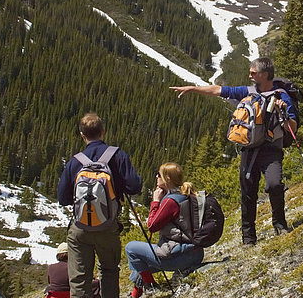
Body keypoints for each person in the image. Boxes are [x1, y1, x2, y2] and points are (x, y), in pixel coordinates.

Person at [170, 57, 298, 245]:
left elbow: (292, 128)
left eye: (253, 72)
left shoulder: (281, 96)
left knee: (274, 184)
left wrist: (284, 111)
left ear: (264, 74)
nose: (249, 75)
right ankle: (248, 238)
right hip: (249, 150)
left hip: (271, 150)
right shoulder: (247, 91)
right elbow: (217, 90)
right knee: (247, 193)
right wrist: (192, 89)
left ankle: (279, 224)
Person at [57, 112, 142, 298]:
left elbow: (62, 198)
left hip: (80, 229)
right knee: (109, 271)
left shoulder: (75, 162)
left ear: (82, 134)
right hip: (107, 226)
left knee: (79, 279)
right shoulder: (117, 155)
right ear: (103, 131)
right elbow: (134, 186)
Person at [125, 162, 204, 298]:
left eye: (158, 175)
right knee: (139, 267)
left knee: (131, 248)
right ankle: (134, 295)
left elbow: (152, 226)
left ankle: (151, 288)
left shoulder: (170, 202)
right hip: (195, 253)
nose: (156, 177)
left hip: (180, 256)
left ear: (167, 179)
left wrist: (155, 201)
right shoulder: (186, 195)